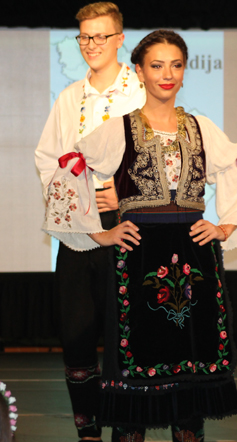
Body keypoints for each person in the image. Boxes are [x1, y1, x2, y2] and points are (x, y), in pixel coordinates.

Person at [41, 29, 237, 442]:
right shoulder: (119, 130)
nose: (167, 74)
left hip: (195, 255)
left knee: (191, 363)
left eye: (176, 65)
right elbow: (70, 170)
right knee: (137, 365)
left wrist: (224, 226)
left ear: (184, 72)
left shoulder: (202, 128)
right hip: (139, 256)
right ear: (139, 72)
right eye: (156, 65)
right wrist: (100, 233)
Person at [34, 3, 145, 441]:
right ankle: (88, 432)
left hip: (129, 223)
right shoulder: (68, 97)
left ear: (119, 39)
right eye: (84, 37)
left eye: (100, 36)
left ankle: (129, 430)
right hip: (78, 228)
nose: (91, 45)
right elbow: (47, 159)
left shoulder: (141, 92)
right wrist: (70, 199)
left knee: (128, 336)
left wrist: (126, 191)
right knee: (78, 336)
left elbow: (158, 156)